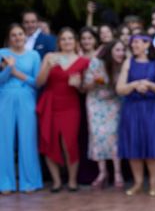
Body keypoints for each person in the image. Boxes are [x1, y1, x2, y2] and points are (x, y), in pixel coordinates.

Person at [36, 28, 90, 192]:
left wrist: (79, 85)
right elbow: (39, 83)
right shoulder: (50, 57)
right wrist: (47, 68)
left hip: (70, 105)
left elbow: (84, 89)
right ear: (59, 42)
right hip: (51, 103)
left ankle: (72, 181)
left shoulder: (83, 61)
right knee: (49, 140)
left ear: (75, 42)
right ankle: (56, 181)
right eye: (64, 39)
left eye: (70, 39)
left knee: (70, 142)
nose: (67, 42)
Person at [116, 34, 155, 196]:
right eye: (132, 43)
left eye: (137, 42)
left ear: (147, 44)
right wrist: (134, 85)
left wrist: (150, 85)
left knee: (153, 145)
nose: (134, 45)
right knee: (134, 145)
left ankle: (153, 183)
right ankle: (138, 182)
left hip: (153, 109)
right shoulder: (128, 62)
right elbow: (120, 88)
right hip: (133, 109)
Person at [0, 24, 43, 194]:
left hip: (26, 98)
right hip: (5, 98)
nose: (17, 37)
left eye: (20, 34)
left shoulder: (34, 55)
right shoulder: (2, 53)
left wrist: (17, 72)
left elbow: (36, 82)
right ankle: (5, 183)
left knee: (28, 139)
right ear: (9, 38)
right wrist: (8, 68)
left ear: (25, 36)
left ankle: (29, 182)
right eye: (14, 35)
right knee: (4, 140)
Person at [84, 40, 126, 189]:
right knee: (97, 135)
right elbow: (86, 85)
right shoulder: (96, 62)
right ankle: (102, 172)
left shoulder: (123, 65)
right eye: (117, 50)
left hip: (114, 101)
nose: (121, 53)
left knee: (114, 135)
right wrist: (95, 81)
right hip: (96, 102)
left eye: (122, 50)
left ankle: (117, 172)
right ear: (110, 51)